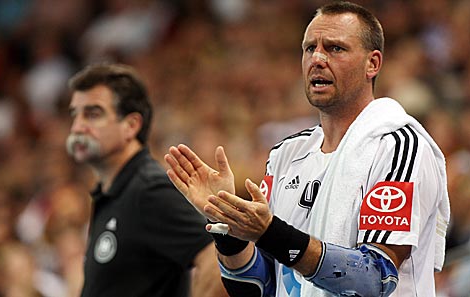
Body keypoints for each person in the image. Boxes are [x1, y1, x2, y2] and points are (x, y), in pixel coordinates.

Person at [164, 1, 450, 297]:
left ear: (372, 64)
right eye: (309, 48)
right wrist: (226, 224)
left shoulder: (398, 146)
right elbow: (258, 288)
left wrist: (270, 232)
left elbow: (373, 280)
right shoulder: (285, 155)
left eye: (335, 48)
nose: (317, 58)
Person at [65, 63, 227, 297]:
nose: (77, 126)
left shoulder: (149, 189)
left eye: (93, 114)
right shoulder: (114, 191)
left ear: (131, 125)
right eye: (75, 114)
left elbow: (216, 258)